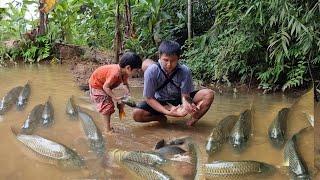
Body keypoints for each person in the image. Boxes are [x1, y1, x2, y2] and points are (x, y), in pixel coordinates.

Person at [133, 40, 214, 126]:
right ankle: (160, 118)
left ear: (179, 59)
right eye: (166, 60)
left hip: (178, 99)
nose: (169, 64)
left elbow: (185, 95)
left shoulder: (185, 71)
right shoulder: (152, 71)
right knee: (137, 114)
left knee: (209, 94)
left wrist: (187, 104)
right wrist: (167, 112)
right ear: (159, 57)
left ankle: (190, 123)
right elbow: (149, 98)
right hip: (160, 101)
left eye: (173, 61)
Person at [89, 52, 142, 133]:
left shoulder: (124, 73)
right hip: (97, 85)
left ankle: (107, 125)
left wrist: (128, 93)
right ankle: (107, 130)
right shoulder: (115, 73)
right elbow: (105, 87)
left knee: (108, 104)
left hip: (104, 85)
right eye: (136, 70)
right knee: (107, 106)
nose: (138, 73)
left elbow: (125, 83)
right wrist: (116, 98)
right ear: (128, 68)